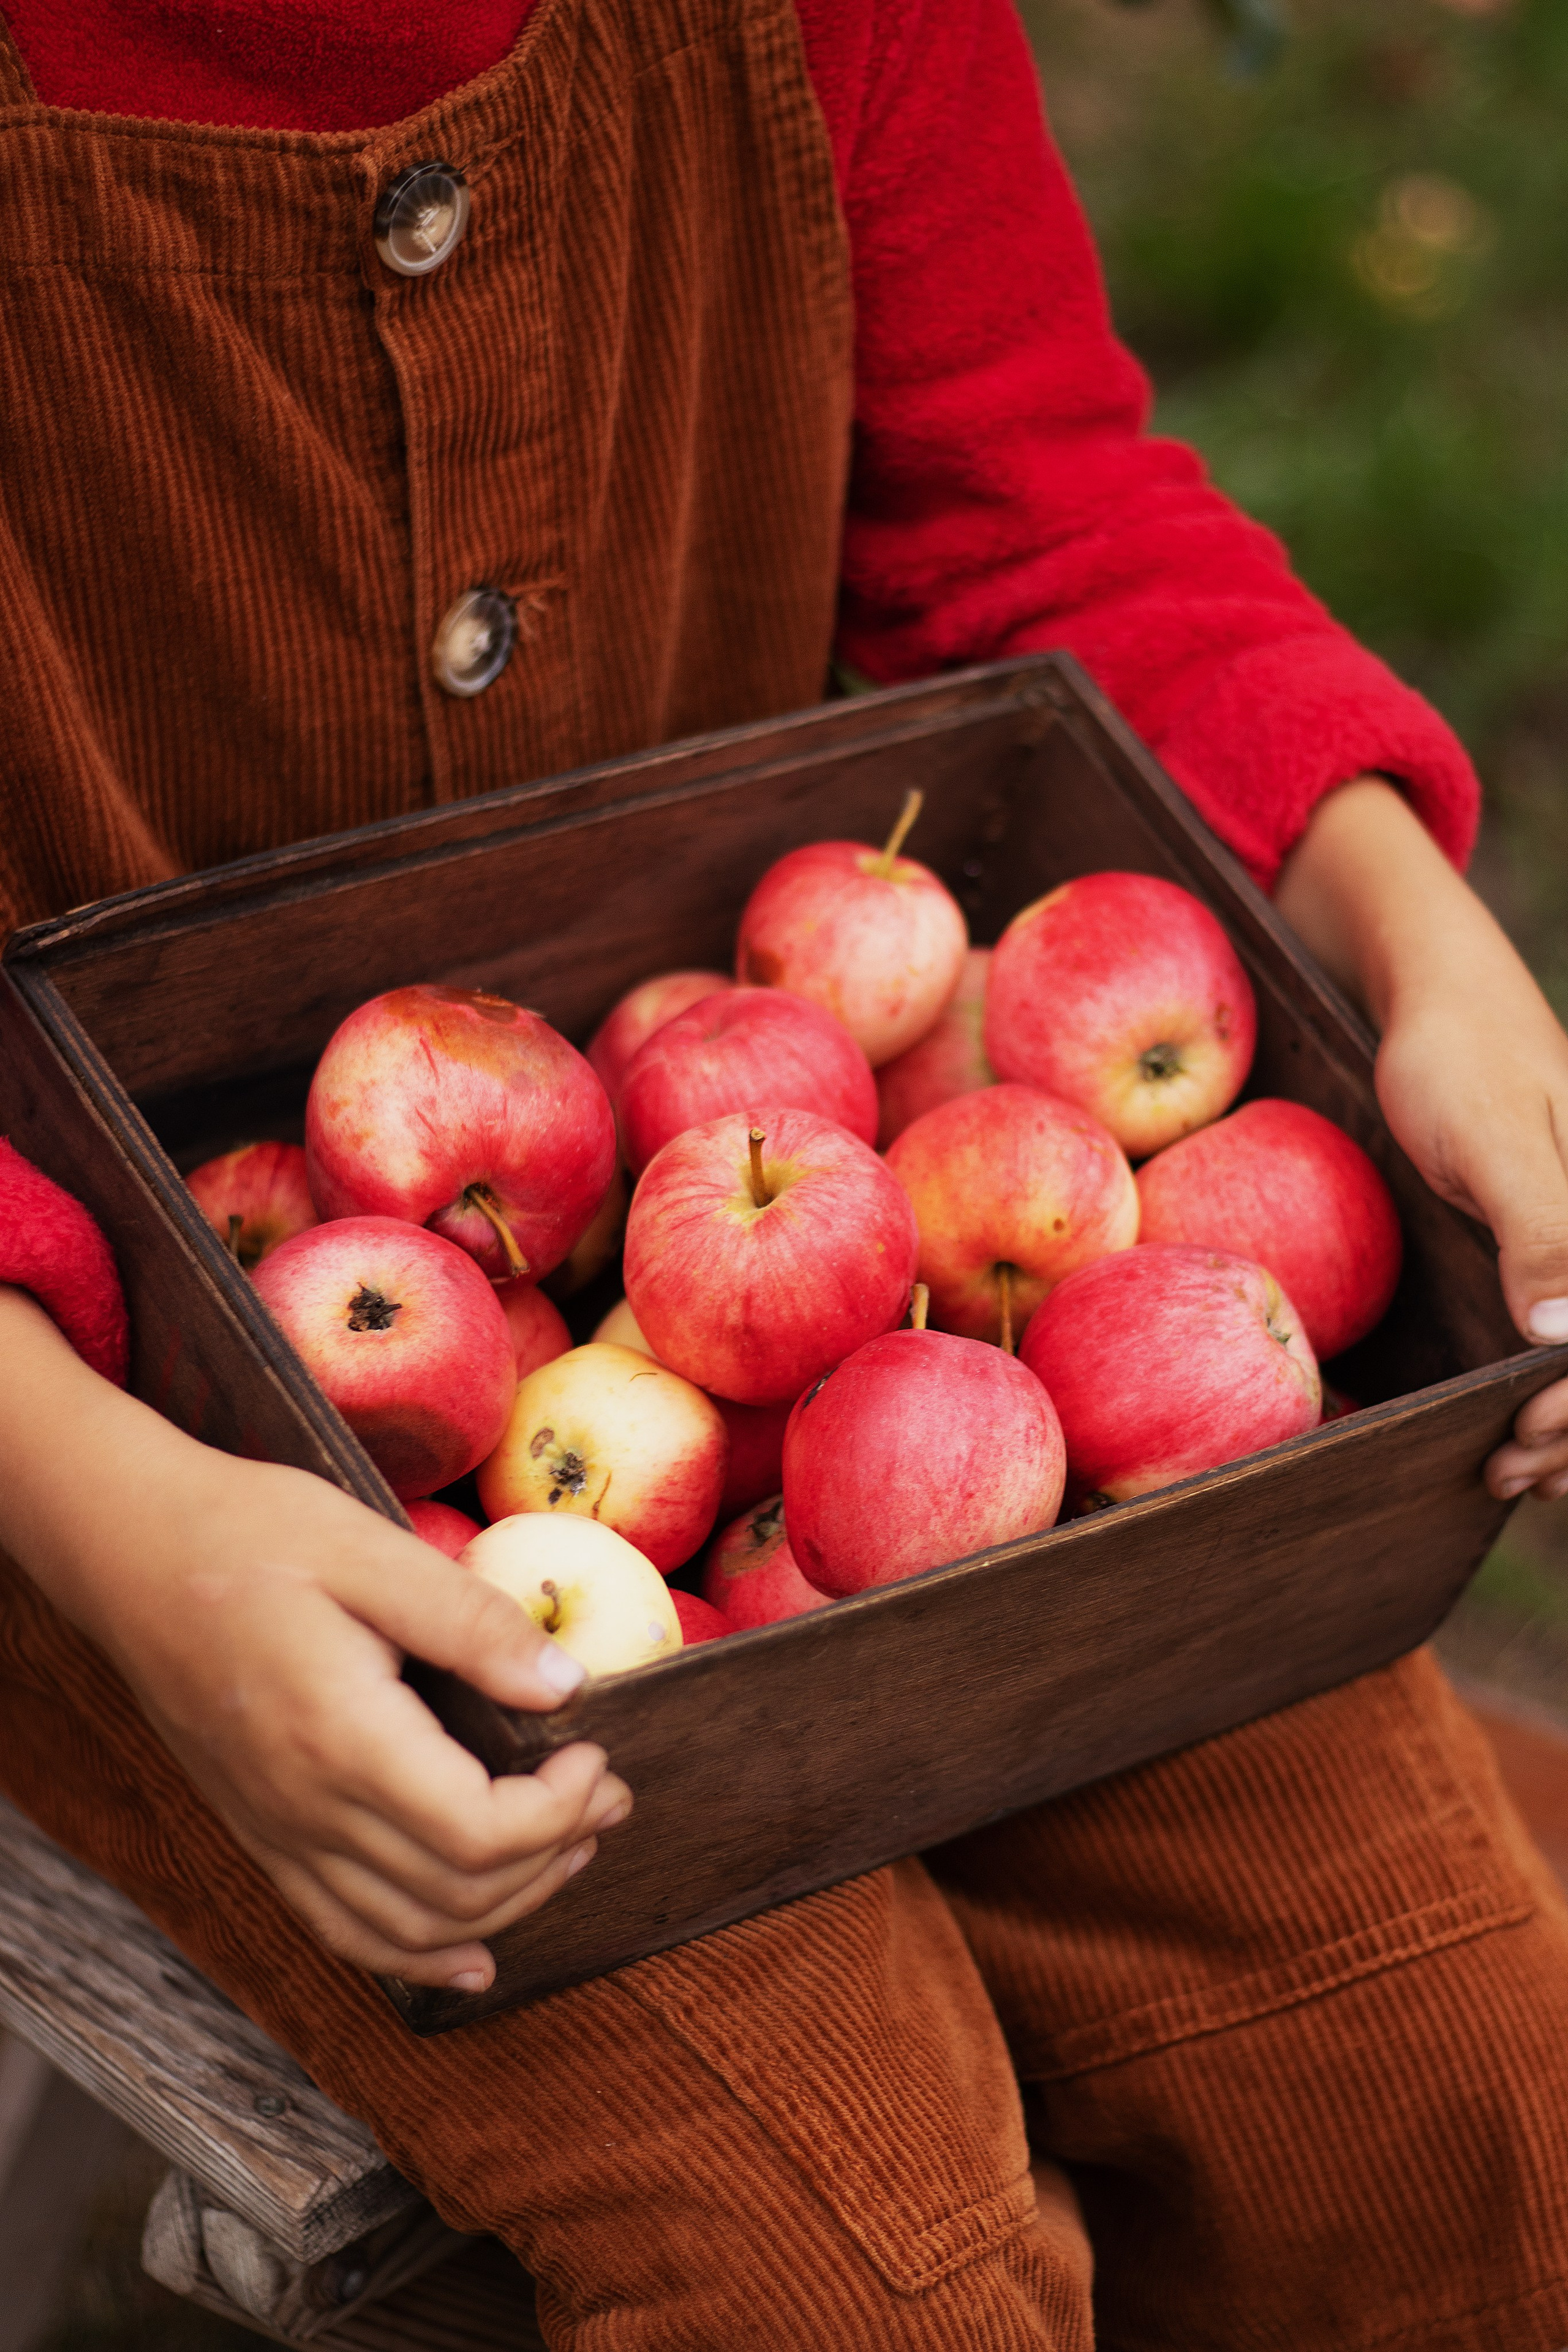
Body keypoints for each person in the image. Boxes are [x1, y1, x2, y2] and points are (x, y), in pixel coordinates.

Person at [1, 2, 1567, 2343]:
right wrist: (114, 1523)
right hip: (116, 1445)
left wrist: (1422, 945)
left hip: (843, 1292)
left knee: (1450, 2082)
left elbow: (1034, 511)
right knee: (857, 2279)